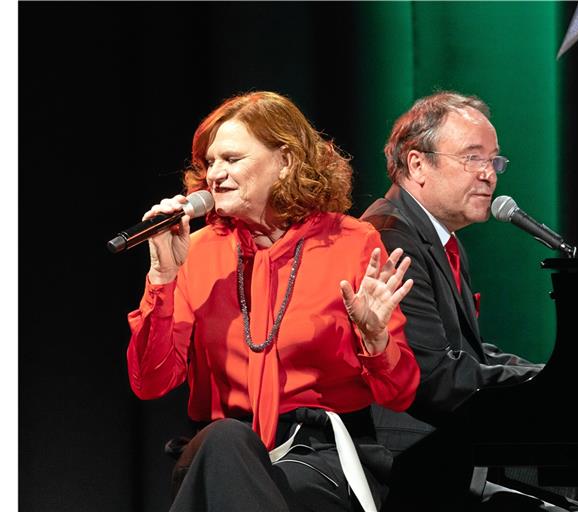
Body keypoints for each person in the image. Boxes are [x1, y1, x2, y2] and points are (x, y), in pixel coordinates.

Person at [125, 91, 420, 512]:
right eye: (210, 163)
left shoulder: (351, 242)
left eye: (231, 159)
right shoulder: (198, 251)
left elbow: (400, 394)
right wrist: (162, 279)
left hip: (319, 457)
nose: (215, 175)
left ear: (285, 161)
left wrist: (375, 340)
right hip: (217, 452)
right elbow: (151, 382)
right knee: (226, 441)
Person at [360, 92, 545, 510]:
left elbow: (462, 350)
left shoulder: (434, 235)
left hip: (441, 454)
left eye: (494, 161)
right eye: (472, 158)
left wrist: (543, 375)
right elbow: (432, 373)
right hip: (405, 468)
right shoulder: (389, 235)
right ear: (417, 164)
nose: (489, 175)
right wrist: (546, 389)